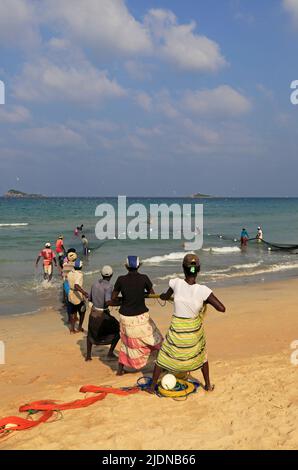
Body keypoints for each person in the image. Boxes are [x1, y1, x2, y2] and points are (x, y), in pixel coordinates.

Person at [150, 254, 225, 393]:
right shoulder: (203, 291)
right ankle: (208, 386)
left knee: (162, 357)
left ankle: (151, 387)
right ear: (199, 269)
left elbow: (165, 297)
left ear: (183, 268)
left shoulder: (176, 283)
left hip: (177, 334)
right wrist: (205, 300)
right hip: (192, 336)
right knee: (202, 355)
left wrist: (163, 296)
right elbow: (222, 308)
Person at [108, 255, 163, 376]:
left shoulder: (121, 279)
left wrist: (125, 298)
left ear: (126, 266)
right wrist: (140, 294)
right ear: (138, 266)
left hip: (125, 318)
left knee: (126, 343)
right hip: (140, 317)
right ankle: (162, 364)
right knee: (155, 338)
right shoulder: (144, 278)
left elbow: (113, 297)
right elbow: (151, 294)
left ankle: (120, 370)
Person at [86, 265, 120, 361]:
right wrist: (119, 303)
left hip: (93, 312)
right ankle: (110, 352)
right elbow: (108, 301)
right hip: (102, 314)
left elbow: (90, 298)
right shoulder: (109, 286)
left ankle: (88, 356)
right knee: (118, 330)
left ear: (101, 274)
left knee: (91, 333)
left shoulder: (94, 284)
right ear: (111, 275)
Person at [67, 259, 89, 334]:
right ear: (81, 267)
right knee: (82, 311)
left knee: (73, 312)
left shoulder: (70, 273)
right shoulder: (79, 274)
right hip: (77, 295)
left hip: (70, 293)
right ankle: (79, 327)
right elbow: (76, 285)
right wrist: (84, 292)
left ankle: (72, 329)